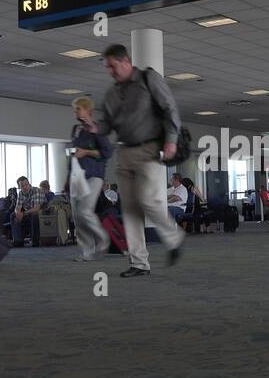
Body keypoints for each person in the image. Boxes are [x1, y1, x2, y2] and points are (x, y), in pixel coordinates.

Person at [93, 44, 183, 278]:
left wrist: (171, 140)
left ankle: (174, 237)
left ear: (125, 61)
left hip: (149, 149)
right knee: (130, 208)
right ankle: (139, 263)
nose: (110, 71)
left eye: (112, 66)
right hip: (123, 153)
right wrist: (95, 127)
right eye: (107, 68)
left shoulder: (148, 78)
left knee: (148, 200)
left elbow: (169, 107)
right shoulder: (111, 94)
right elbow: (106, 125)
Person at [68, 96, 113, 261]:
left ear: (88, 111)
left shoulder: (97, 129)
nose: (76, 112)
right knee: (77, 215)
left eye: (78, 109)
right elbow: (74, 153)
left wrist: (86, 152)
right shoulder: (76, 129)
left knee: (85, 211)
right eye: (75, 109)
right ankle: (87, 251)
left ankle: (103, 239)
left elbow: (107, 152)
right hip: (76, 175)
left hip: (94, 175)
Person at [10, 176, 45, 247]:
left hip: (41, 212)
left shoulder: (36, 191)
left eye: (26, 185)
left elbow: (36, 208)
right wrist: (17, 213)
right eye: (22, 186)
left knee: (34, 214)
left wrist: (22, 213)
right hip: (27, 212)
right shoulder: (20, 193)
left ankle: (35, 241)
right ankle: (18, 241)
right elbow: (17, 207)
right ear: (19, 187)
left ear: (29, 184)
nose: (25, 187)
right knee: (13, 215)